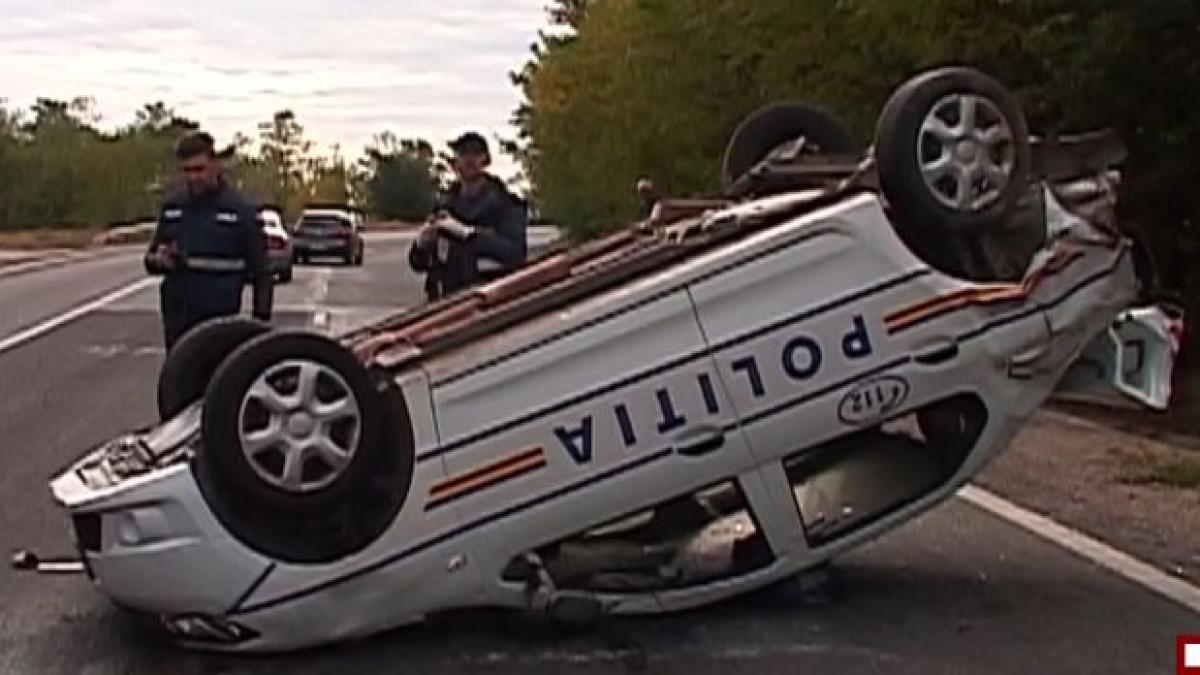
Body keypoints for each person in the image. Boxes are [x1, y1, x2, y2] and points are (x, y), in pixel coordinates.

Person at [144, 131, 273, 351]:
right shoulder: (173, 207)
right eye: (187, 171)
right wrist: (159, 260)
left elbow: (262, 272)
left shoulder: (240, 210)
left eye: (199, 169)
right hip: (178, 320)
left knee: (215, 370)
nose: (193, 177)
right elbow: (152, 259)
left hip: (219, 322)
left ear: (215, 165)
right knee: (180, 372)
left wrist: (259, 324)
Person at [409, 131, 528, 301]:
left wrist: (469, 235)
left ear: (485, 160)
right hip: (445, 300)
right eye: (463, 153)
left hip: (488, 300)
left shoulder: (506, 205)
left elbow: (515, 254)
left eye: (475, 153)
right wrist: (421, 245)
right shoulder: (445, 206)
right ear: (455, 160)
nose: (469, 160)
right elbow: (420, 264)